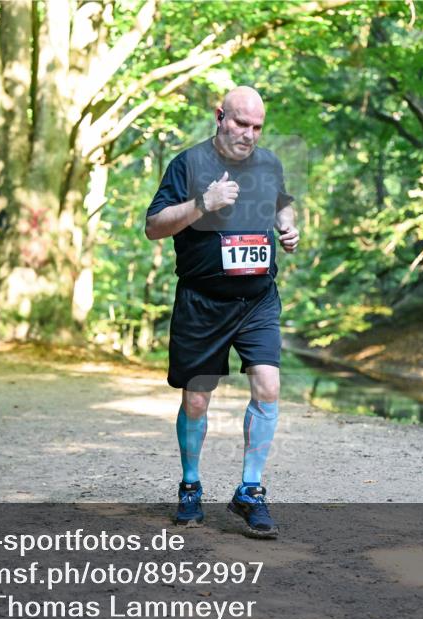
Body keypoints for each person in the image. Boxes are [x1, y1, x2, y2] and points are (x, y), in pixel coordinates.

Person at [144, 86, 299, 539]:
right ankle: (190, 485)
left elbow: (282, 202)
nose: (249, 135)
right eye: (240, 124)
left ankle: (249, 492)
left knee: (268, 387)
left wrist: (287, 227)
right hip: (202, 299)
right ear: (219, 116)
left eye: (257, 127)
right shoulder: (188, 165)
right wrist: (201, 205)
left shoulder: (268, 163)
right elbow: (154, 226)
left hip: (257, 298)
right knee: (196, 398)